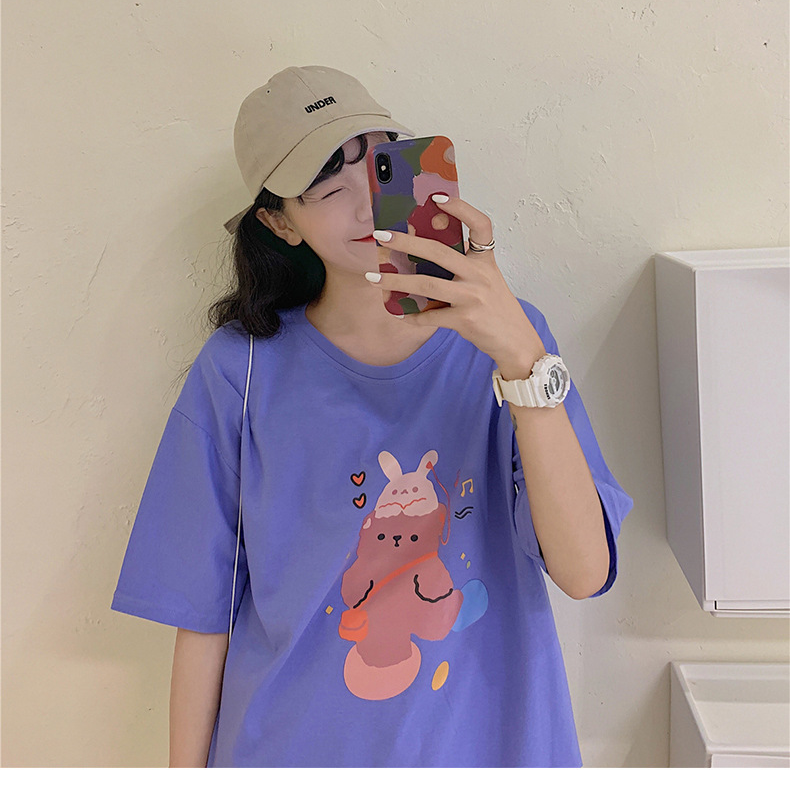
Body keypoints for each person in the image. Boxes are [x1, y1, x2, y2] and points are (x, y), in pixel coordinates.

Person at [111, 65, 633, 768]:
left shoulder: (511, 343)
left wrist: (520, 356)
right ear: (279, 222)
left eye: (381, 166)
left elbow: (584, 571)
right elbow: (204, 617)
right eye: (328, 187)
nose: (366, 204)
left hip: (489, 752)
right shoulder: (240, 369)